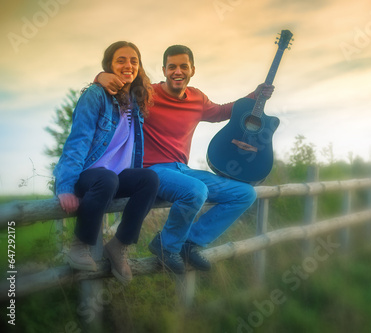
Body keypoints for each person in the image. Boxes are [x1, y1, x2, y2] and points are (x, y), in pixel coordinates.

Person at [96, 44, 274, 274]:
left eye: (183, 66)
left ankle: (190, 244)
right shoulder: (146, 92)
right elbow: (116, 86)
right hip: (152, 172)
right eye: (171, 67)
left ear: (192, 70)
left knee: (245, 194)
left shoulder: (197, 99)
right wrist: (101, 76)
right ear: (164, 70)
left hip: (183, 170)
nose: (177, 71)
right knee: (195, 190)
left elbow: (222, 112)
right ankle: (165, 245)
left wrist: (255, 95)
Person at [54, 41, 159, 284]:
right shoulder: (95, 95)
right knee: (106, 178)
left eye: (134, 61)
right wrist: (66, 187)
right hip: (88, 176)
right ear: (109, 66)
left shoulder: (137, 99)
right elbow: (77, 142)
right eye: (120, 60)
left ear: (139, 67)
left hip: (114, 177)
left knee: (150, 178)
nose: (128, 65)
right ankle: (80, 246)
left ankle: (118, 245)